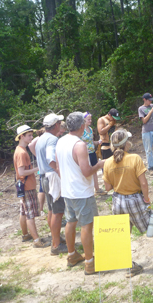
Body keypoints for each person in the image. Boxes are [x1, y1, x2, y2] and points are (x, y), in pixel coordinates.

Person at [103, 129, 153, 277]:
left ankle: (129, 266)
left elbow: (107, 187)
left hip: (118, 201)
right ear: (126, 144)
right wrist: (146, 199)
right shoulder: (135, 158)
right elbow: (143, 183)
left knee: (124, 233)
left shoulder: (107, 163)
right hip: (135, 199)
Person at [56, 112, 105, 275]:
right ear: (82, 126)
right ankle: (90, 263)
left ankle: (72, 255)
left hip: (67, 191)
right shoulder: (80, 145)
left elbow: (58, 167)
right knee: (86, 226)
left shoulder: (60, 142)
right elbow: (86, 171)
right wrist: (99, 165)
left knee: (70, 222)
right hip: (82, 192)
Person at [35, 113, 68, 256]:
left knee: (51, 210)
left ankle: (56, 238)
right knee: (58, 211)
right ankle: (56, 245)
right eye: (59, 123)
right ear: (55, 125)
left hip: (44, 177)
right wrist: (60, 172)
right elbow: (50, 158)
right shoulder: (53, 139)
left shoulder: (41, 138)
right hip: (52, 177)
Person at [14, 125, 49, 248]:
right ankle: (36, 240)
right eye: (29, 135)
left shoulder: (20, 150)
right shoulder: (22, 153)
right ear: (21, 136)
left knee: (23, 211)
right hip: (27, 186)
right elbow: (22, 172)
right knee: (30, 214)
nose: (31, 137)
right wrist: (37, 169)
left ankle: (25, 235)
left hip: (23, 186)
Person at [81, 112, 106, 196]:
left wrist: (97, 142)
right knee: (86, 172)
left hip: (92, 153)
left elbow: (91, 141)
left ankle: (97, 189)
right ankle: (87, 190)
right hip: (85, 154)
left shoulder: (90, 129)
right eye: (88, 119)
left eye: (90, 119)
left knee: (94, 170)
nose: (90, 121)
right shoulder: (81, 130)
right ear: (83, 120)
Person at [28, 127, 46, 214]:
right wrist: (37, 155)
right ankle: (40, 209)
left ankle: (41, 209)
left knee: (42, 188)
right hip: (44, 166)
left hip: (44, 165)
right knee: (42, 188)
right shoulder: (42, 137)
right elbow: (30, 145)